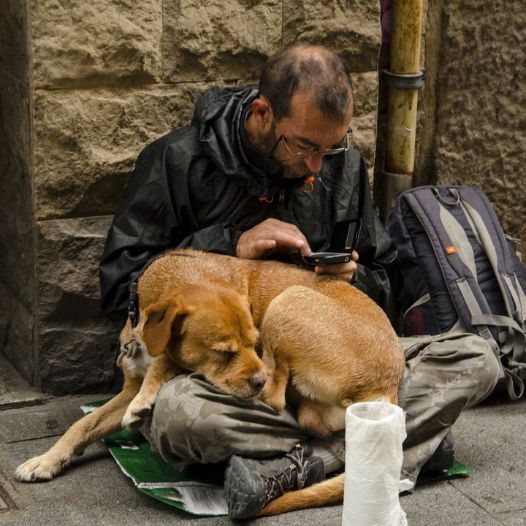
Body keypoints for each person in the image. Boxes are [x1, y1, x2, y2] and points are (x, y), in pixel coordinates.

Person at [99, 45, 501, 518]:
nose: (318, 165)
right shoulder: (177, 160)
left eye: (330, 148)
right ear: (262, 113)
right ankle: (390, 442)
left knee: (479, 358)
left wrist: (355, 277)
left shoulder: (342, 165)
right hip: (239, 383)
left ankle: (304, 464)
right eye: (305, 146)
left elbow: (386, 280)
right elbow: (122, 284)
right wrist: (231, 244)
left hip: (325, 365)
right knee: (179, 419)